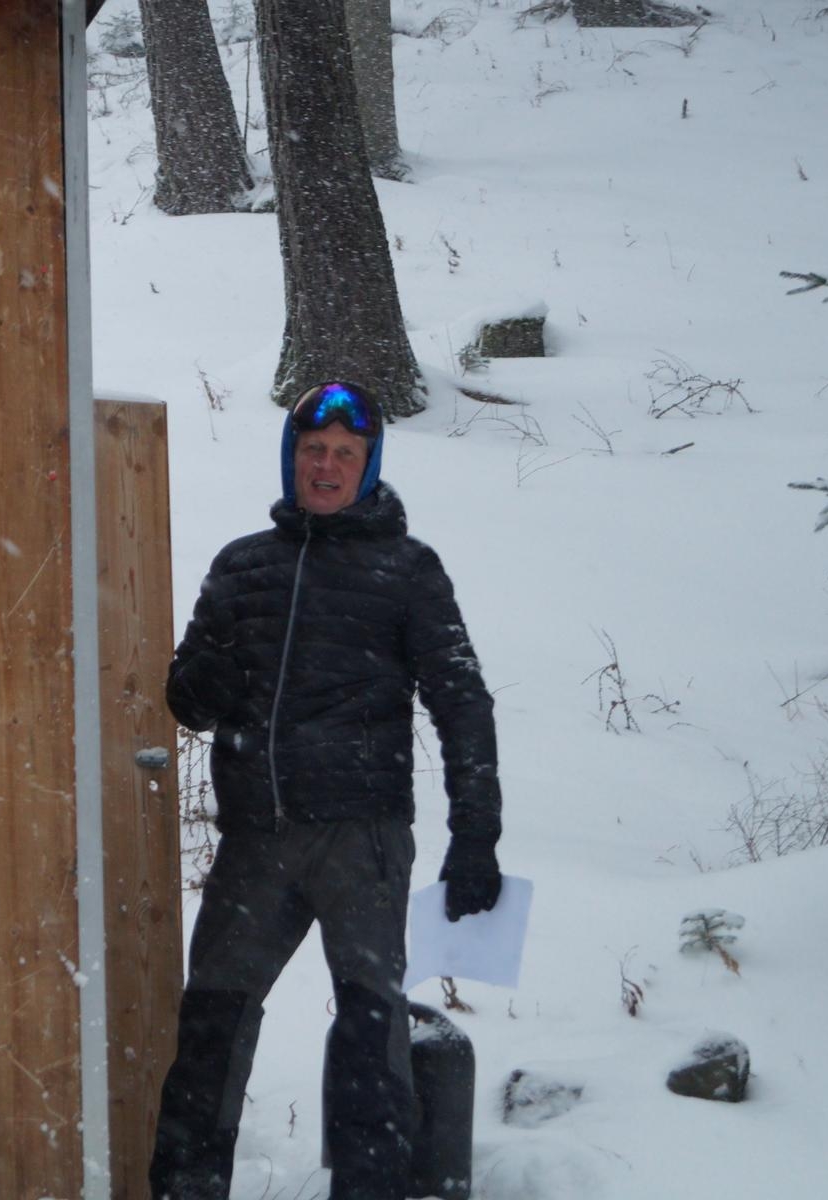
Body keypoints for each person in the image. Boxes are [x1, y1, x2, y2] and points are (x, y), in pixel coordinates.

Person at [149, 380, 504, 1200]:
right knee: (210, 1030)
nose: (327, 466)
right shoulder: (241, 565)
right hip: (256, 841)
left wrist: (475, 836)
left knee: (369, 1039)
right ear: (291, 458)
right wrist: (209, 676)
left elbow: (461, 703)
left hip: (361, 840)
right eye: (314, 450)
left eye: (346, 453)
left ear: (367, 465)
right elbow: (187, 699)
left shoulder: (407, 570)